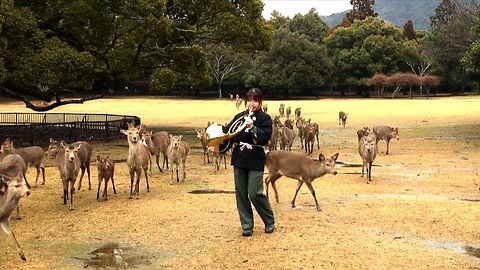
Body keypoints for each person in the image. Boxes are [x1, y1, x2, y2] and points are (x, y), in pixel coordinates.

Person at [223, 88, 275, 237]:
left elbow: (264, 138)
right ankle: (247, 225)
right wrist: (216, 144)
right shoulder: (239, 117)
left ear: (260, 102)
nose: (251, 104)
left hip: (255, 158)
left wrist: (252, 127)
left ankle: (269, 220)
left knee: (254, 192)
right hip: (239, 158)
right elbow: (228, 134)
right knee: (241, 193)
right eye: (249, 100)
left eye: (255, 100)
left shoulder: (265, 119)